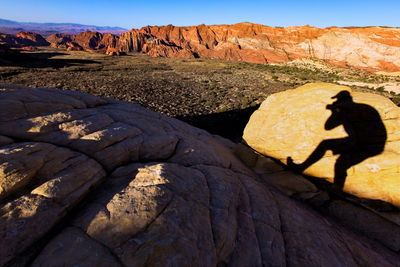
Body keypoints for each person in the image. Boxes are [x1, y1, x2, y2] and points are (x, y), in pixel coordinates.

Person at [287, 90, 387, 190]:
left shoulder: (348, 111)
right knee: (326, 145)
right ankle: (303, 168)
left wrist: (334, 111)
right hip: (367, 140)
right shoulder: (363, 108)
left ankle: (337, 188)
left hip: (367, 143)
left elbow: (328, 126)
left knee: (342, 161)